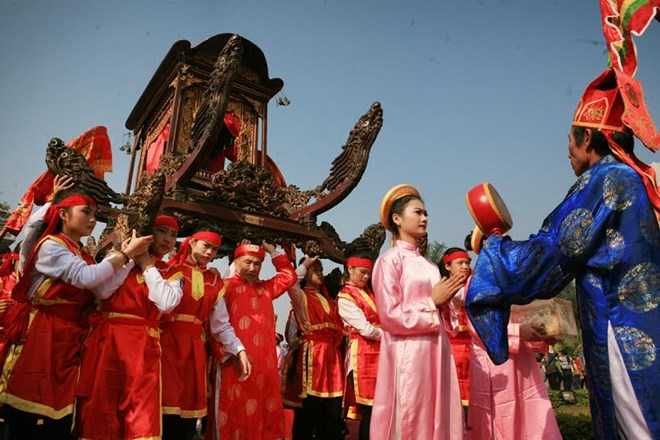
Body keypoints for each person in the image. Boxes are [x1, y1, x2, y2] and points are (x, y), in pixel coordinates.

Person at [466, 66, 660, 439]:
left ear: (587, 137)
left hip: (623, 328)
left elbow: (552, 251)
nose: (567, 153)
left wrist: (493, 249)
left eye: (570, 142)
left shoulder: (608, 179)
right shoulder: (638, 179)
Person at [0, 191, 151, 438]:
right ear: (62, 214)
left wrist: (127, 260)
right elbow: (86, 278)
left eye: (95, 214)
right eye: (86, 212)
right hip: (43, 332)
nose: (92, 219)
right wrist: (124, 255)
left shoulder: (82, 253)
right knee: (28, 407)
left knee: (59, 413)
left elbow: (100, 290)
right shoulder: (51, 246)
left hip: (69, 337)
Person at [75, 214, 184, 439]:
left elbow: (166, 302)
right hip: (109, 340)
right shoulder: (119, 259)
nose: (168, 239)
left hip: (144, 346)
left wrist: (147, 266)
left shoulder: (173, 272)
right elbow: (102, 291)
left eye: (173, 235)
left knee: (140, 410)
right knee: (101, 402)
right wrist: (131, 258)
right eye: (162, 231)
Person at [370, 184, 465, 439]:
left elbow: (442, 310)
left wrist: (445, 304)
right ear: (397, 218)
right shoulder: (390, 261)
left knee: (438, 415)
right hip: (409, 353)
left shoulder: (429, 266)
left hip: (436, 349)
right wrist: (432, 303)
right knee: (411, 415)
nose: (424, 218)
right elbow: (389, 316)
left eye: (426, 213)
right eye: (418, 212)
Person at [444, 246, 562, 440]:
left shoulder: (512, 282)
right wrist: (518, 331)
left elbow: (526, 314)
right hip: (493, 359)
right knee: (502, 417)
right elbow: (480, 326)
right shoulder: (469, 288)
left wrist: (543, 332)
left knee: (530, 414)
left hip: (521, 360)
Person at [161, 230, 250, 440]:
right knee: (164, 407)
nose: (210, 253)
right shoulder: (171, 269)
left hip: (194, 350)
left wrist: (239, 349)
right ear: (191, 243)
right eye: (205, 246)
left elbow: (220, 325)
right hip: (166, 344)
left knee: (189, 414)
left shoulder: (214, 279)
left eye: (215, 249)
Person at [212, 241, 296, 440]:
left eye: (257, 264)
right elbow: (214, 326)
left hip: (264, 368)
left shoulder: (266, 289)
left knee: (262, 415)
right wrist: (223, 355)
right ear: (236, 260)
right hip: (235, 365)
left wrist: (273, 251)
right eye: (247, 262)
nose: (252, 268)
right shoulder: (225, 287)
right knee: (233, 414)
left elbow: (289, 276)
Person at [289, 256, 344, 440]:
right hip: (313, 356)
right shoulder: (301, 296)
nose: (320, 273)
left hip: (332, 359)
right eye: (316, 270)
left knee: (332, 410)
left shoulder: (330, 300)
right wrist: (305, 264)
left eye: (321, 270)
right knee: (309, 410)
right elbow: (290, 283)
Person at [337, 253, 381, 440]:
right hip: (362, 355)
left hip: (380, 353)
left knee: (379, 409)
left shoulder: (370, 293)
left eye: (368, 273)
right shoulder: (345, 297)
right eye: (362, 272)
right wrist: (391, 336)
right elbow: (366, 329)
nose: (366, 277)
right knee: (368, 410)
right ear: (350, 269)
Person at [440, 248, 473, 412]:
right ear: (447, 266)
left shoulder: (473, 284)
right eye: (460, 263)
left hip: (473, 349)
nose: (465, 266)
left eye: (467, 263)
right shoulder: (442, 287)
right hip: (451, 348)